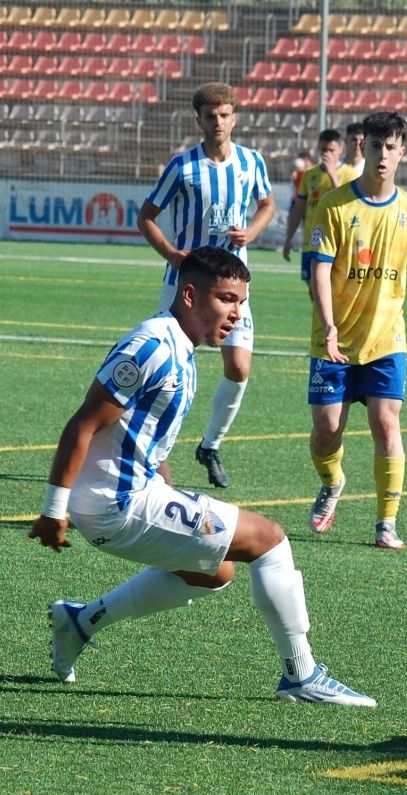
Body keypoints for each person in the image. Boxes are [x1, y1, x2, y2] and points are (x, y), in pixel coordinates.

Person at [28, 245, 375, 708]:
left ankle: (81, 622)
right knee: (270, 540)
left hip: (133, 493)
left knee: (214, 572)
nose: (237, 314)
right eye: (227, 299)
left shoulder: (182, 350)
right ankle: (301, 674)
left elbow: (150, 439)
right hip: (118, 502)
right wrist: (54, 511)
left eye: (242, 303)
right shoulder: (152, 346)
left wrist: (169, 496)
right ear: (190, 295)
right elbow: (83, 424)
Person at [304, 111, 407, 551]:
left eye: (391, 148)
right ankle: (332, 482)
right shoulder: (335, 205)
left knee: (387, 426)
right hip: (333, 341)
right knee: (327, 431)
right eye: (375, 146)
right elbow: (320, 273)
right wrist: (329, 326)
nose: (382, 155)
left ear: (402, 151)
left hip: (388, 340)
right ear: (362, 147)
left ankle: (386, 522)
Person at [137, 82, 276, 491]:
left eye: (225, 115)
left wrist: (252, 231)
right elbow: (146, 216)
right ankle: (151, 454)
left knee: (239, 367)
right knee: (168, 369)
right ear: (198, 120)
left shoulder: (251, 162)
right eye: (210, 116)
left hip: (234, 288)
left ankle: (210, 445)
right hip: (188, 287)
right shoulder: (183, 167)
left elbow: (267, 204)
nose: (218, 122)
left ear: (234, 117)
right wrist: (172, 254)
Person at [281, 127, 348, 277]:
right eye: (324, 149)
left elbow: (348, 206)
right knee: (314, 292)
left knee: (332, 293)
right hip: (312, 242)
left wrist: (332, 174)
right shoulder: (309, 175)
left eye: (332, 150)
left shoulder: (350, 174)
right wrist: (288, 238)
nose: (327, 154)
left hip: (337, 243)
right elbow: (298, 208)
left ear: (341, 150)